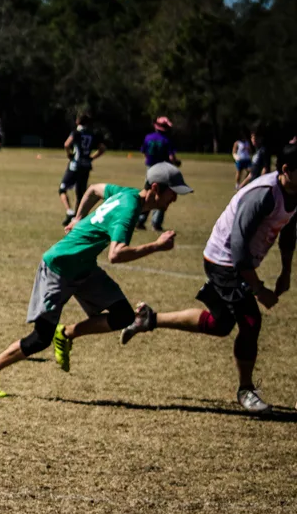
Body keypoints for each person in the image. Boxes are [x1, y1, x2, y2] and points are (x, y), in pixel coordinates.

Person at [0, 163, 192, 398]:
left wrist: (78, 217)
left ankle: (66, 333)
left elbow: (94, 190)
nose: (174, 200)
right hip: (59, 267)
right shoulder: (128, 210)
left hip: (84, 267)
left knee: (124, 316)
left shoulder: (126, 193)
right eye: (173, 193)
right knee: (40, 338)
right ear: (156, 188)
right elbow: (116, 254)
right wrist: (157, 246)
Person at [121, 144, 296, 414]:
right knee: (250, 321)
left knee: (220, 324)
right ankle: (245, 390)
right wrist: (259, 289)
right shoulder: (264, 195)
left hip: (236, 261)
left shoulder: (292, 190)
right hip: (223, 261)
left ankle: (149, 319)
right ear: (286, 170)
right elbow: (237, 249)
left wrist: (286, 271)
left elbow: (289, 229)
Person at [59, 113, 106, 226]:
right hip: (86, 166)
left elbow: (66, 144)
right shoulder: (92, 134)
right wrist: (92, 158)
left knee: (62, 189)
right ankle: (77, 217)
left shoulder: (76, 133)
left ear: (77, 121)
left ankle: (70, 212)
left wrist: (69, 154)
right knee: (81, 194)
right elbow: (102, 148)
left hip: (75, 165)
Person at [137, 116, 179, 231]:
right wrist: (176, 163)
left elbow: (144, 152)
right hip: (162, 170)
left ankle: (140, 220)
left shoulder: (148, 137)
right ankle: (156, 223)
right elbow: (171, 156)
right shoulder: (167, 140)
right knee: (161, 195)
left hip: (150, 169)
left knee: (147, 193)